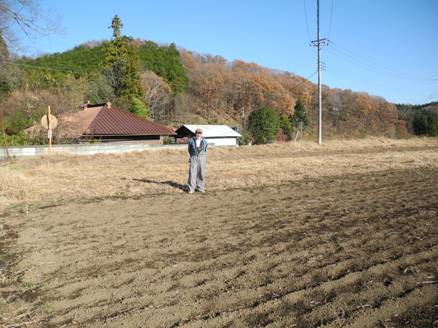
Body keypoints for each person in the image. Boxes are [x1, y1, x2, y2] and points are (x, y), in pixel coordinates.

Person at [187, 128, 208, 193]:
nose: (198, 134)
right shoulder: (191, 141)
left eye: (200, 133)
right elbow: (189, 150)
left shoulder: (205, 141)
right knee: (192, 173)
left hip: (201, 157)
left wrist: (203, 157)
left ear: (201, 134)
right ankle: (191, 188)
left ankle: (200, 188)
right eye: (197, 133)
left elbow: (205, 150)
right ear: (195, 133)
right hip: (193, 157)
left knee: (201, 172)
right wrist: (192, 156)